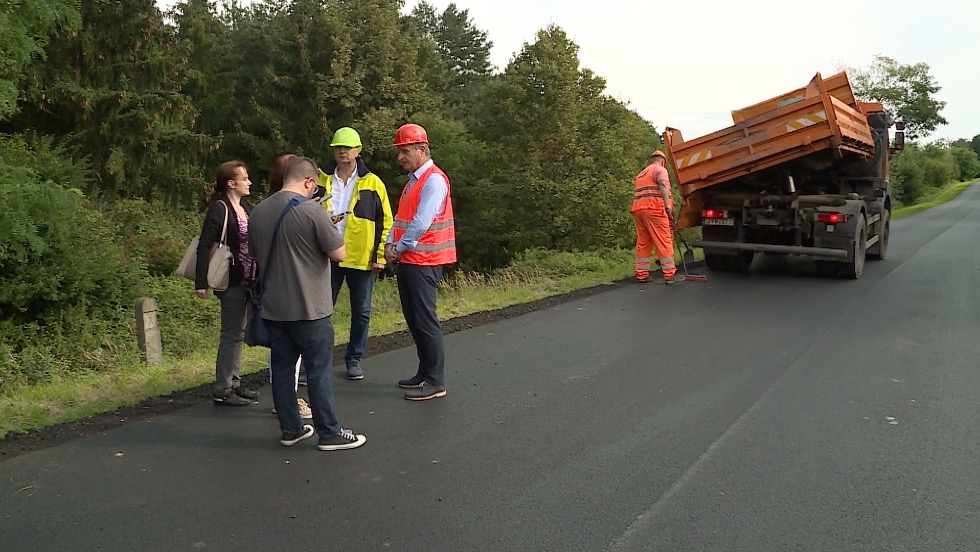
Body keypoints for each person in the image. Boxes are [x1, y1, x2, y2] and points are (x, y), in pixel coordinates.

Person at [249, 156, 366, 450]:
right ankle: (329, 432)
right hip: (310, 306)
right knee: (318, 370)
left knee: (283, 371)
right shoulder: (311, 212)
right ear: (309, 182)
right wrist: (324, 220)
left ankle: (291, 429)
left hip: (274, 307)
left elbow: (255, 254)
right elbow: (339, 254)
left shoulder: (258, 211)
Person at [385, 123, 456, 401]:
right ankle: (425, 372)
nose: (400, 157)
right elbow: (402, 218)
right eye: (399, 152)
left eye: (404, 151)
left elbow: (421, 223)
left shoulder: (434, 180)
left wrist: (398, 247)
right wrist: (392, 243)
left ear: (422, 149)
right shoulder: (414, 180)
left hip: (424, 260)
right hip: (411, 258)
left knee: (425, 320)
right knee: (414, 319)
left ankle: (436, 381)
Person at [317, 127, 393, 381]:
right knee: (321, 310)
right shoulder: (320, 179)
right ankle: (318, 360)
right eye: (338, 147)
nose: (342, 152)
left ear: (357, 151)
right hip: (327, 255)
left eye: (347, 148)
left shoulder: (373, 182)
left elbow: (386, 222)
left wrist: (380, 256)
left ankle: (354, 359)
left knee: (361, 311)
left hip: (361, 256)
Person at [195, 161, 261, 406]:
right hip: (231, 279)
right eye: (244, 178)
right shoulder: (220, 208)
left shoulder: (246, 207)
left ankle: (234, 382)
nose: (249, 182)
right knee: (231, 333)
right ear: (231, 183)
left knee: (239, 332)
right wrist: (201, 282)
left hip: (249, 278)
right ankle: (223, 388)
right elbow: (204, 245)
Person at [265, 153, 311, 420]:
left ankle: (284, 401)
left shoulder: (265, 206)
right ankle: (289, 402)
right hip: (291, 286)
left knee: (282, 351)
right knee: (290, 352)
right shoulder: (292, 206)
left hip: (273, 285)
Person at [632, 150, 683, 284]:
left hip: (639, 210)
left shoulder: (641, 174)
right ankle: (670, 274)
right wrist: (668, 206)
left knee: (644, 243)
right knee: (663, 240)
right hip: (655, 209)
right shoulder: (660, 170)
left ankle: (642, 274)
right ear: (663, 161)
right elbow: (664, 185)